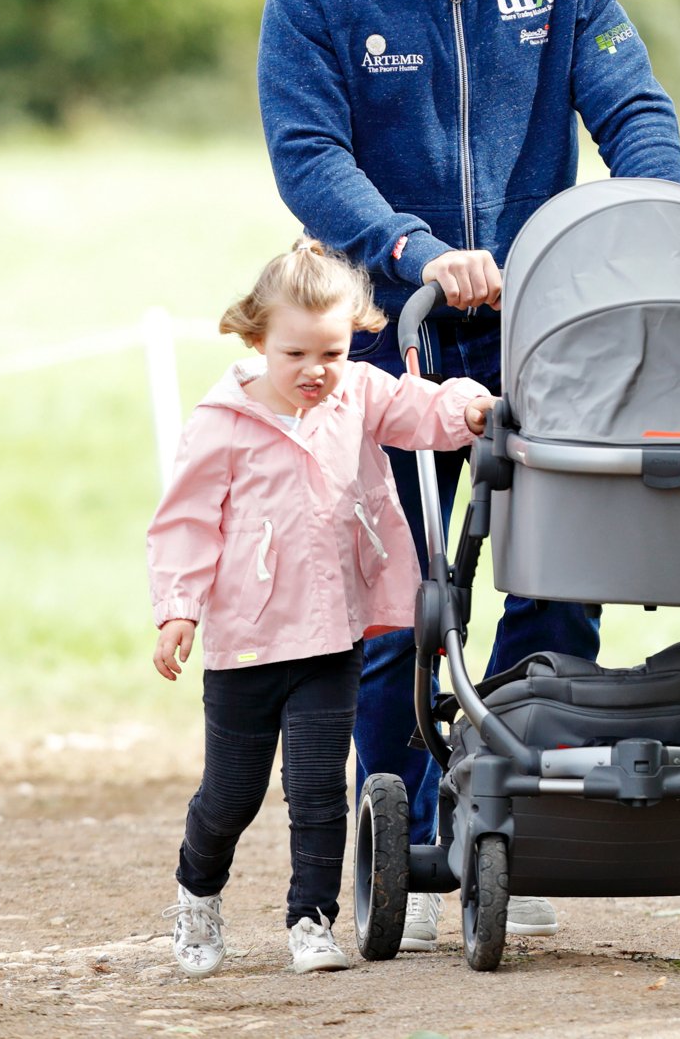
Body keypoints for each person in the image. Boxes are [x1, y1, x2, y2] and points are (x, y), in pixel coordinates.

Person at [256, 0, 680, 946]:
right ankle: (395, 828)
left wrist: (661, 218)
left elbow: (632, 110)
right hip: (388, 332)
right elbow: (307, 152)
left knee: (558, 571)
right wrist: (408, 247)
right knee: (399, 594)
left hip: (543, 330)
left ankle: (512, 814)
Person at [147, 239, 495, 977]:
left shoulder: (357, 392)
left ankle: (312, 921)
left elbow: (418, 408)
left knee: (318, 791)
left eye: (332, 351)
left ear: (354, 338)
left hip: (331, 636)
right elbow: (185, 522)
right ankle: (198, 894)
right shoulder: (223, 421)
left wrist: (468, 406)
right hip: (245, 644)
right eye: (296, 353)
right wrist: (178, 607)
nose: (316, 371)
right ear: (257, 339)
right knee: (231, 794)